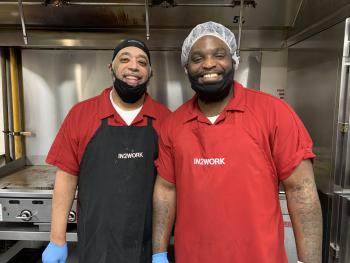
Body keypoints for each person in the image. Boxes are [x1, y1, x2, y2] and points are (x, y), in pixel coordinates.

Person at [152, 21, 322, 263]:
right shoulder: (173, 124)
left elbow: (301, 191)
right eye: (197, 58)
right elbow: (166, 190)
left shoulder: (273, 112)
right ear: (186, 68)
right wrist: (158, 254)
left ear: (234, 60)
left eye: (219, 55)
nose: (208, 64)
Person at [42, 38, 171, 263]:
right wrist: (57, 239)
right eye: (125, 59)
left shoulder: (165, 119)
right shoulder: (81, 114)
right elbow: (66, 176)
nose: (133, 66)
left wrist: (160, 252)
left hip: (146, 245)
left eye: (142, 62)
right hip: (96, 242)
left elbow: (170, 187)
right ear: (111, 68)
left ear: (151, 73)